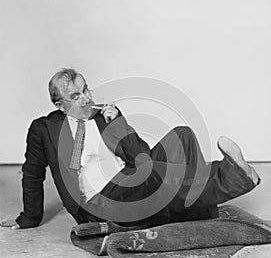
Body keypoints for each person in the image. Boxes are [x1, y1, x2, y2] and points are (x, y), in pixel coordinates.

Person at [0, 68, 260, 230]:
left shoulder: (107, 115)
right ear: (59, 105)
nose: (87, 98)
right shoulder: (44, 129)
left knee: (183, 136)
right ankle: (233, 176)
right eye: (76, 97)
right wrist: (28, 218)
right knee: (152, 175)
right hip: (98, 202)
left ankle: (202, 214)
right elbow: (33, 174)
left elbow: (141, 156)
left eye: (85, 89)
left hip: (129, 182)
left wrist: (118, 123)